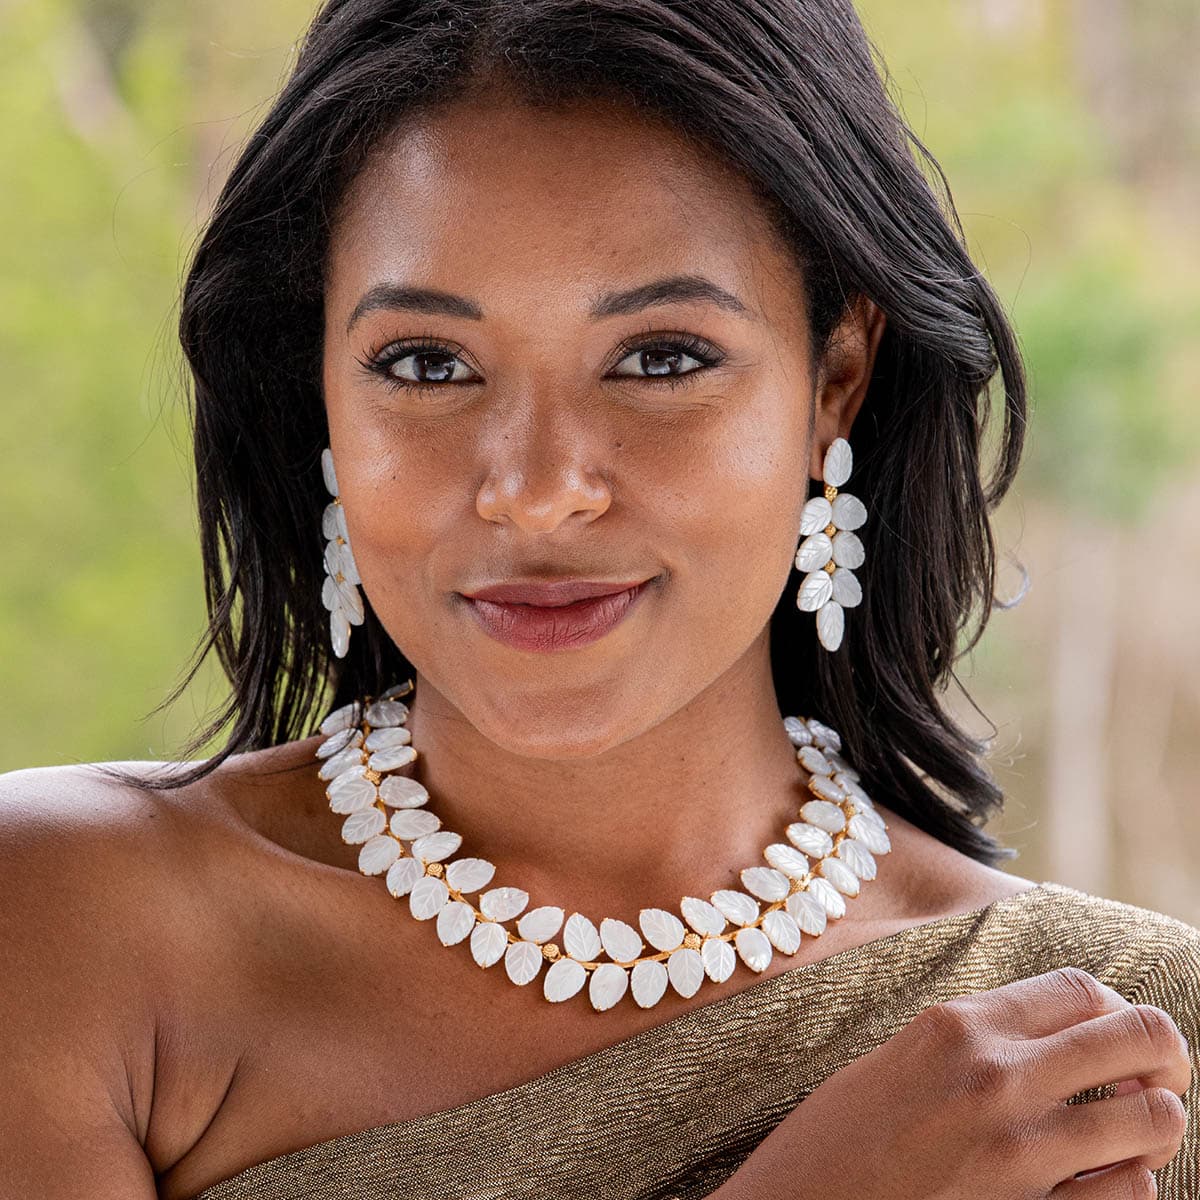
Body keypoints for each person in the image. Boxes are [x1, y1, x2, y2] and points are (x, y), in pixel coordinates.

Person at [2, 0, 1196, 1197]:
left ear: (835, 377)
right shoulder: (60, 923)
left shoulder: (1120, 1058)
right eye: (427, 364)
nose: (535, 492)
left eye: (661, 358)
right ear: (320, 396)